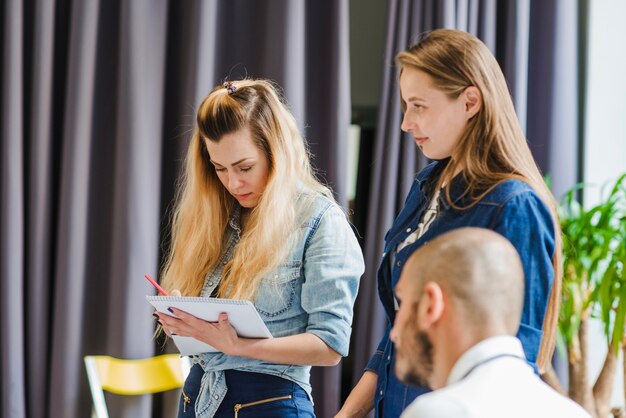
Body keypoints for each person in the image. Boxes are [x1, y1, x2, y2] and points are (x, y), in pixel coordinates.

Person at [337, 28, 562, 417]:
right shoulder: (427, 186)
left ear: (470, 101)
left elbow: (513, 360)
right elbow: (397, 337)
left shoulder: (515, 205)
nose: (406, 123)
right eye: (406, 106)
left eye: (419, 106)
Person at [154, 78, 365, 418]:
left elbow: (329, 347)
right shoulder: (216, 215)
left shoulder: (319, 221)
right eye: (219, 168)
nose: (233, 183)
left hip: (270, 405)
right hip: (197, 401)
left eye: (245, 167)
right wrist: (185, 322)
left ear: (277, 152)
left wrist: (238, 346)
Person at [390, 227, 589, 418]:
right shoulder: (575, 414)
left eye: (403, 301)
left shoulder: (438, 412)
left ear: (430, 305)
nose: (394, 333)